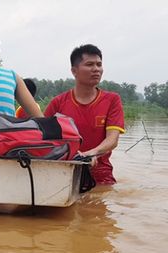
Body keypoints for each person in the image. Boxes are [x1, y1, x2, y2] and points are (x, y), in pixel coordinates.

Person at [44, 44, 125, 184]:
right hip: (65, 173)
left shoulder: (112, 100)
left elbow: (112, 140)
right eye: (89, 64)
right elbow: (43, 140)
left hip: (100, 176)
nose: (96, 69)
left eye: (99, 64)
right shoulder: (58, 103)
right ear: (74, 71)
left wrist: (90, 154)